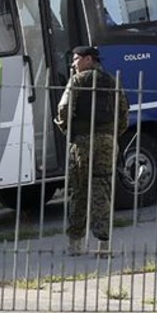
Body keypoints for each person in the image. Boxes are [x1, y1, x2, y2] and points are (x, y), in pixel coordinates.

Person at [56, 46, 128, 255]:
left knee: (79, 190)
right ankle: (103, 245)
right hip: (107, 142)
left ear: (88, 59)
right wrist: (111, 136)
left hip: (83, 143)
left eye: (76, 59)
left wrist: (67, 130)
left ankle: (75, 244)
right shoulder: (113, 82)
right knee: (102, 190)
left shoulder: (77, 81)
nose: (73, 64)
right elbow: (123, 115)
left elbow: (64, 110)